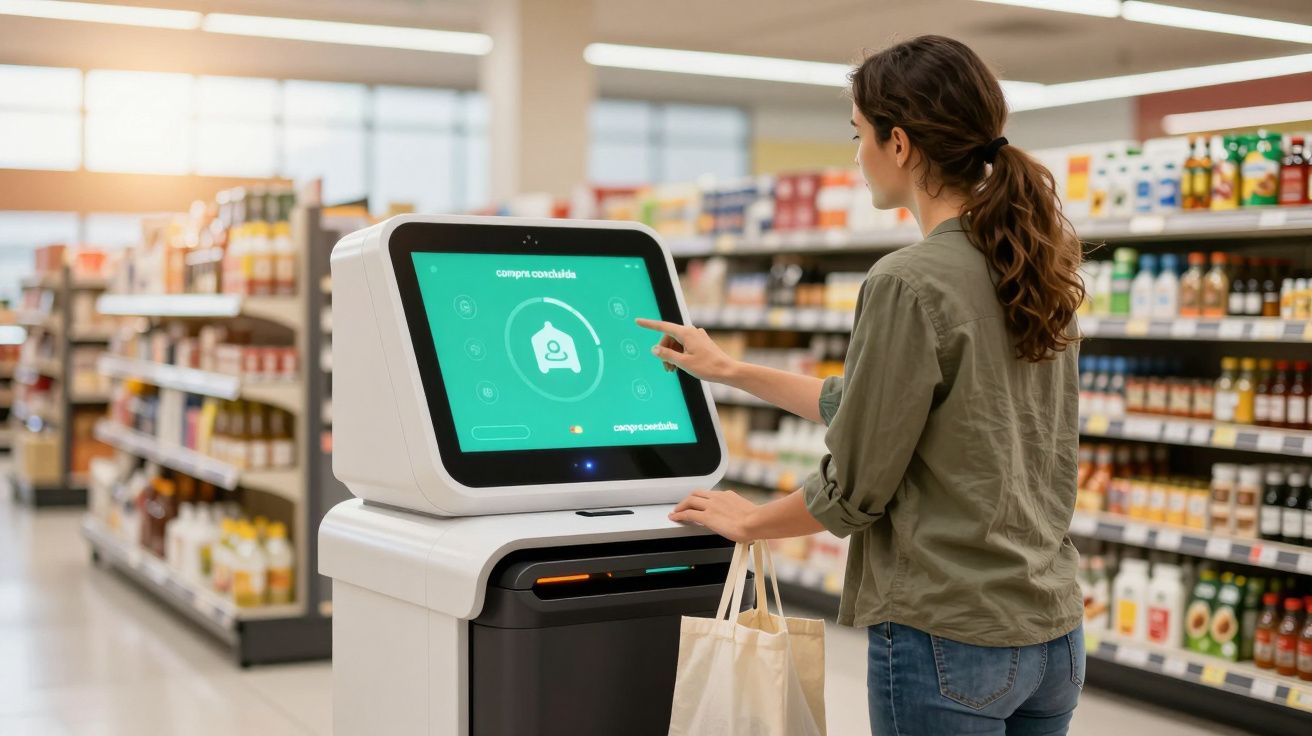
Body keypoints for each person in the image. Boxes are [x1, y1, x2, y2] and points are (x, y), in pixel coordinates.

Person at [637, 35, 1086, 736]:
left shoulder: (907, 279)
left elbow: (854, 488)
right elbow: (878, 409)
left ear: (898, 144)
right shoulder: (1030, 263)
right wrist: (729, 370)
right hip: (1051, 633)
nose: (856, 155)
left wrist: (750, 521)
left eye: (858, 135)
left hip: (947, 633)